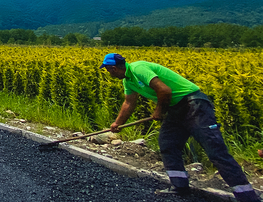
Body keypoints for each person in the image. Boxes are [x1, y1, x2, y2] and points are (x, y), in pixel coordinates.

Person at [101, 53, 260, 201]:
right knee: (168, 144)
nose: (109, 73)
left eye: (108, 70)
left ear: (113, 68)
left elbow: (164, 90)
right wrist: (118, 124)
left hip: (194, 104)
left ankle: (247, 196)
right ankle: (180, 186)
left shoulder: (138, 68)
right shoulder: (128, 81)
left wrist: (158, 111)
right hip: (176, 109)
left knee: (215, 151)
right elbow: (129, 102)